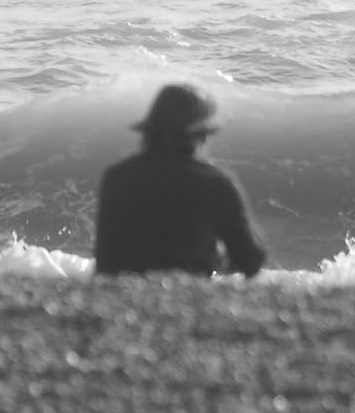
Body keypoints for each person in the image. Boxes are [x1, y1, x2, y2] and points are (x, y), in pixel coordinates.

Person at [93, 84, 267, 278]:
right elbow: (250, 261)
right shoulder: (215, 183)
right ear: (201, 135)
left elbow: (104, 261)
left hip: (118, 295)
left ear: (149, 130)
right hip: (189, 295)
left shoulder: (117, 176)